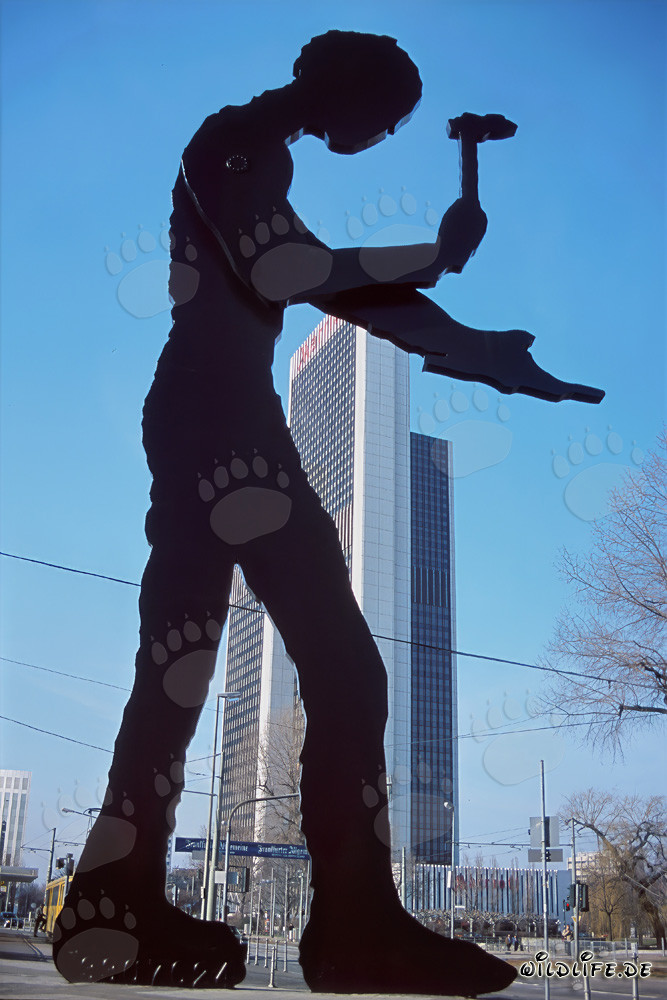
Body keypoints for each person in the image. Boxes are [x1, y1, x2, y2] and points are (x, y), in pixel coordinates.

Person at [53, 30, 602, 994]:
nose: (382, 134)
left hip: (202, 411)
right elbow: (282, 269)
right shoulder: (233, 139)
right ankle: (351, 921)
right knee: (344, 667)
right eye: (384, 118)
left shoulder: (250, 150)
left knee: (179, 656)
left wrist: (479, 350)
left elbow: (343, 291)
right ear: (343, 90)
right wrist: (433, 256)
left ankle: (115, 892)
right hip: (224, 420)